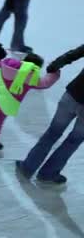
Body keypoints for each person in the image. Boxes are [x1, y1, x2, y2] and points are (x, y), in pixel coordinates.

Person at [16, 44, 84, 185]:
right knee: (73, 141)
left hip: (74, 94)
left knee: (52, 132)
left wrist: (55, 65)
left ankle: (28, 167)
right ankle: (48, 174)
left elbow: (74, 53)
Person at [0, 53, 59, 150]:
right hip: (3, 105)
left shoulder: (5, 66)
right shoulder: (30, 76)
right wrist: (55, 74)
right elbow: (45, 83)